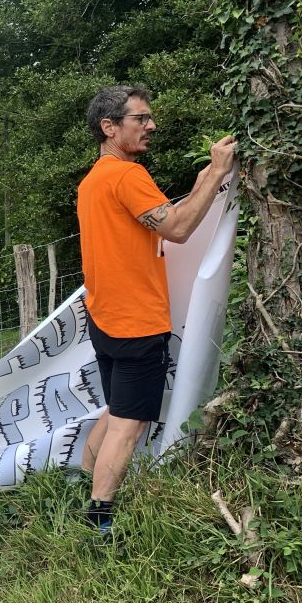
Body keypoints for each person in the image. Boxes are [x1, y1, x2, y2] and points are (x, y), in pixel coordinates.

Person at [77, 85, 237, 539]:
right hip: (136, 322)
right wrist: (218, 172)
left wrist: (208, 178)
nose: (151, 126)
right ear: (110, 127)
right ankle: (98, 522)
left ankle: (76, 486)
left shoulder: (94, 181)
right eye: (140, 119)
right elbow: (179, 228)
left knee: (117, 409)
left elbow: (166, 214)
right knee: (129, 425)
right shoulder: (128, 176)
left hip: (105, 316)